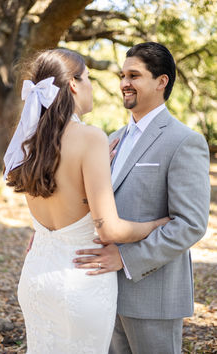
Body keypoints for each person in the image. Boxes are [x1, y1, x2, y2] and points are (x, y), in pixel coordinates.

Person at [3, 48, 169, 354]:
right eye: (88, 78)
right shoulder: (90, 137)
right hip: (79, 280)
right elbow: (110, 230)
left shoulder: (30, 141)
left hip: (36, 277)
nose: (92, 86)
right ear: (73, 85)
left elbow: (59, 193)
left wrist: (97, 167)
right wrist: (158, 223)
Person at [73, 42, 210, 354]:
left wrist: (125, 258)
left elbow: (189, 225)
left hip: (153, 294)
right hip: (104, 290)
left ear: (161, 81)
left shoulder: (185, 141)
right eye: (122, 75)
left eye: (134, 75)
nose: (124, 83)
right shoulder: (112, 140)